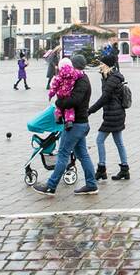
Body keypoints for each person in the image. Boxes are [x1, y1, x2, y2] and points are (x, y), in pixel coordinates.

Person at [32, 54, 98, 196]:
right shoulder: (79, 79)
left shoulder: (81, 81)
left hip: (76, 124)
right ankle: (91, 184)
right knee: (83, 154)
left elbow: (73, 101)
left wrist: (58, 102)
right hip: (80, 124)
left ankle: (51, 186)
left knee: (63, 154)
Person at [89, 53, 129, 182]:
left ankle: (101, 169)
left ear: (107, 66)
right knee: (119, 142)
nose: (100, 66)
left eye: (101, 64)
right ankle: (124, 169)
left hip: (113, 114)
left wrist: (90, 110)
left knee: (100, 140)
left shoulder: (112, 79)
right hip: (116, 113)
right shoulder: (111, 77)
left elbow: (104, 98)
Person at [49, 58, 83, 129]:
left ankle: (58, 117)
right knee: (69, 108)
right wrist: (83, 73)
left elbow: (54, 86)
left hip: (60, 94)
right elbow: (81, 73)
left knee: (58, 106)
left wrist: (50, 95)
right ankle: (69, 122)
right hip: (69, 93)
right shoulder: (74, 73)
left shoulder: (59, 76)